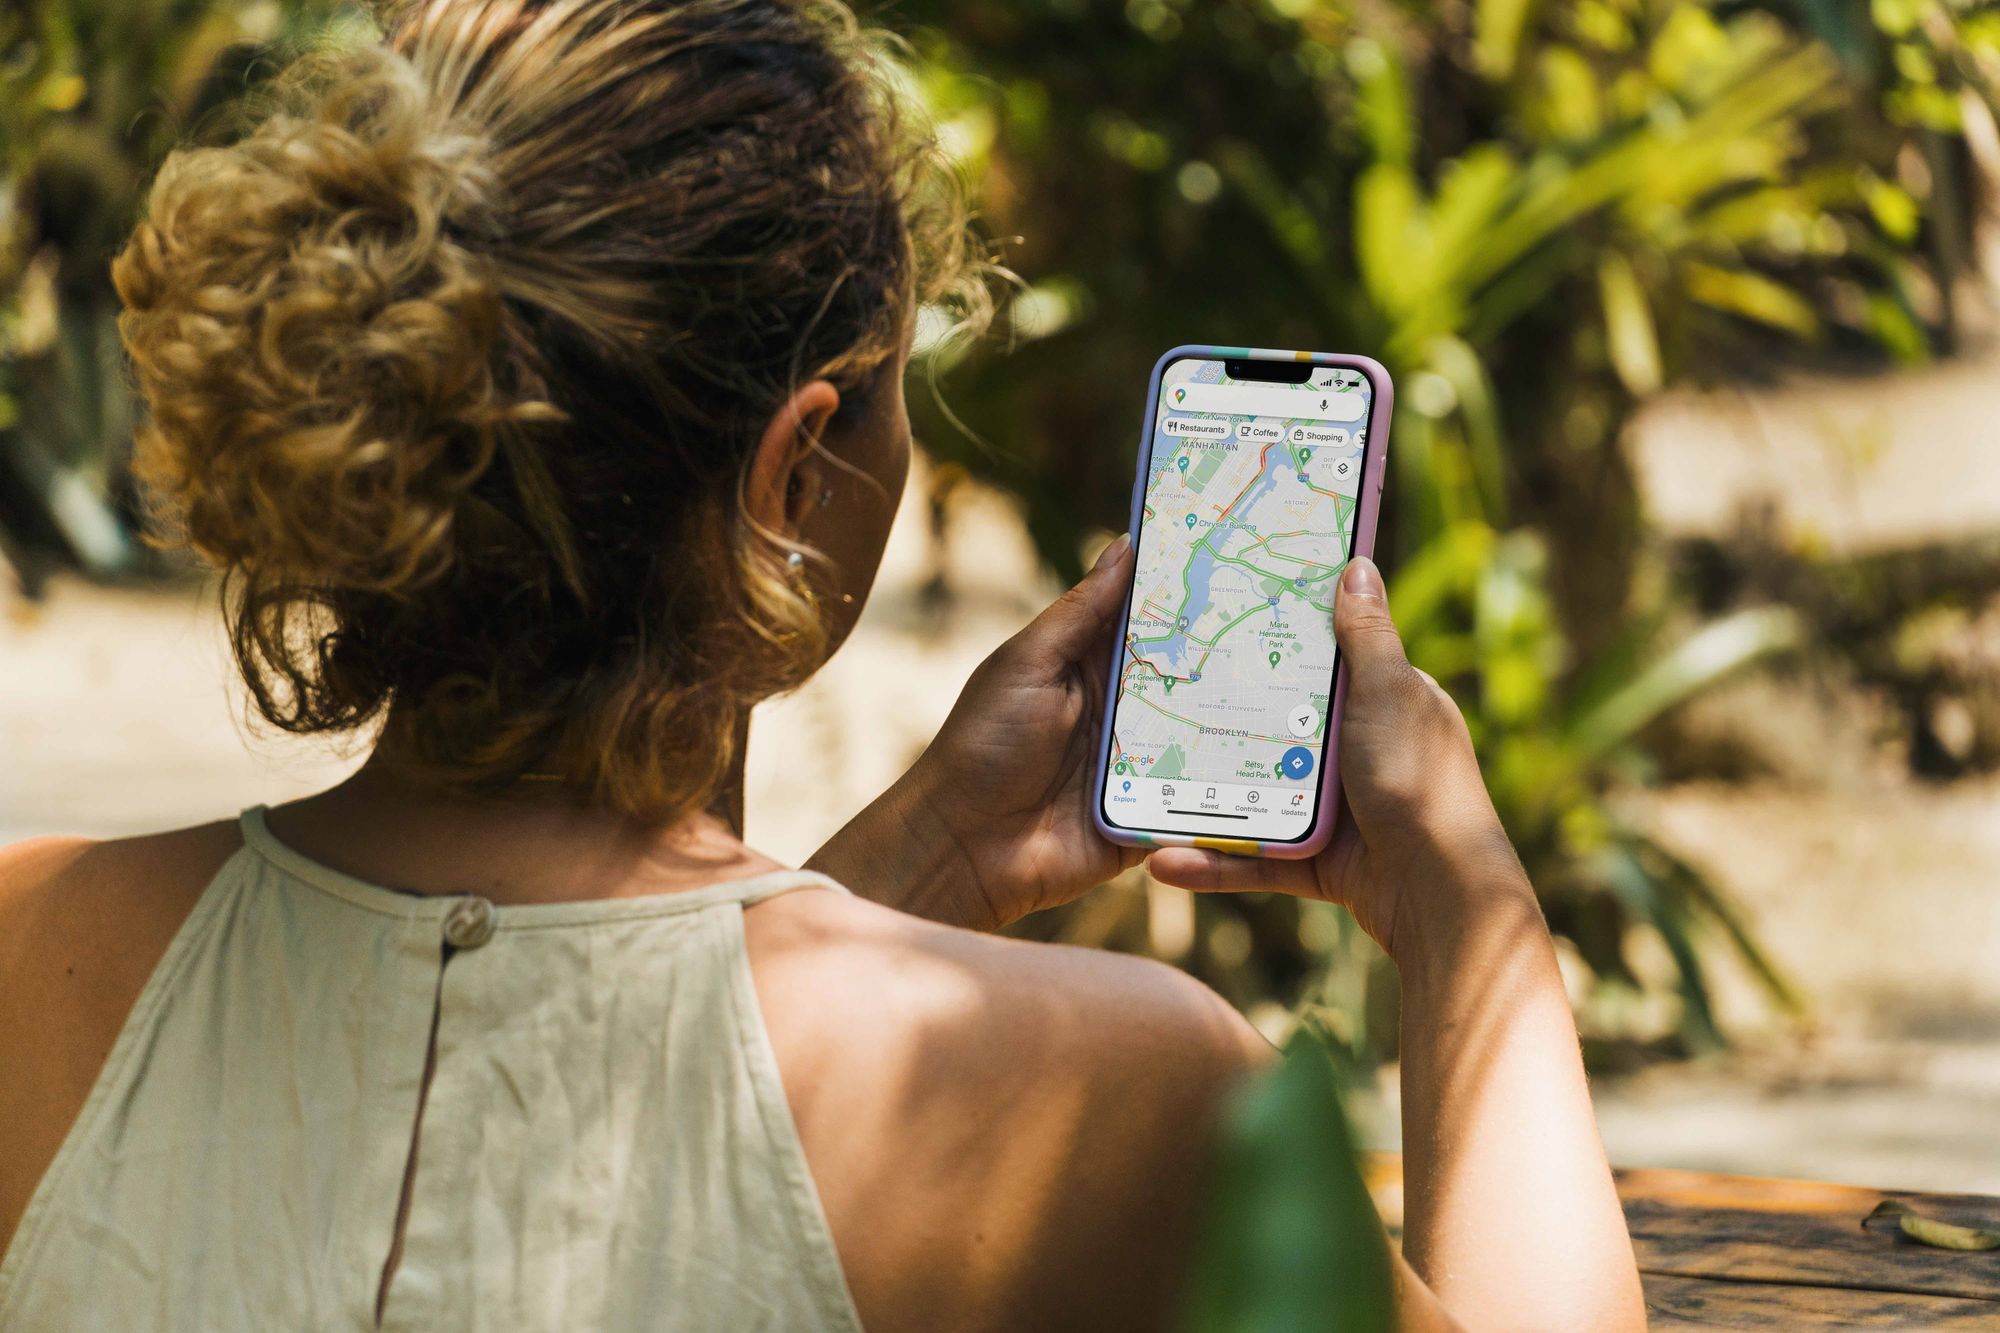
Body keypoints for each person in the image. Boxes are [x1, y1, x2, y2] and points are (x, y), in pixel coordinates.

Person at [0, 1, 1645, 1328]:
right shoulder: (1118, 1095)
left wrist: (918, 858)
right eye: (901, 384)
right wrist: (1462, 906)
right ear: (793, 476)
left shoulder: (31, 951)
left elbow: (595, 1111)